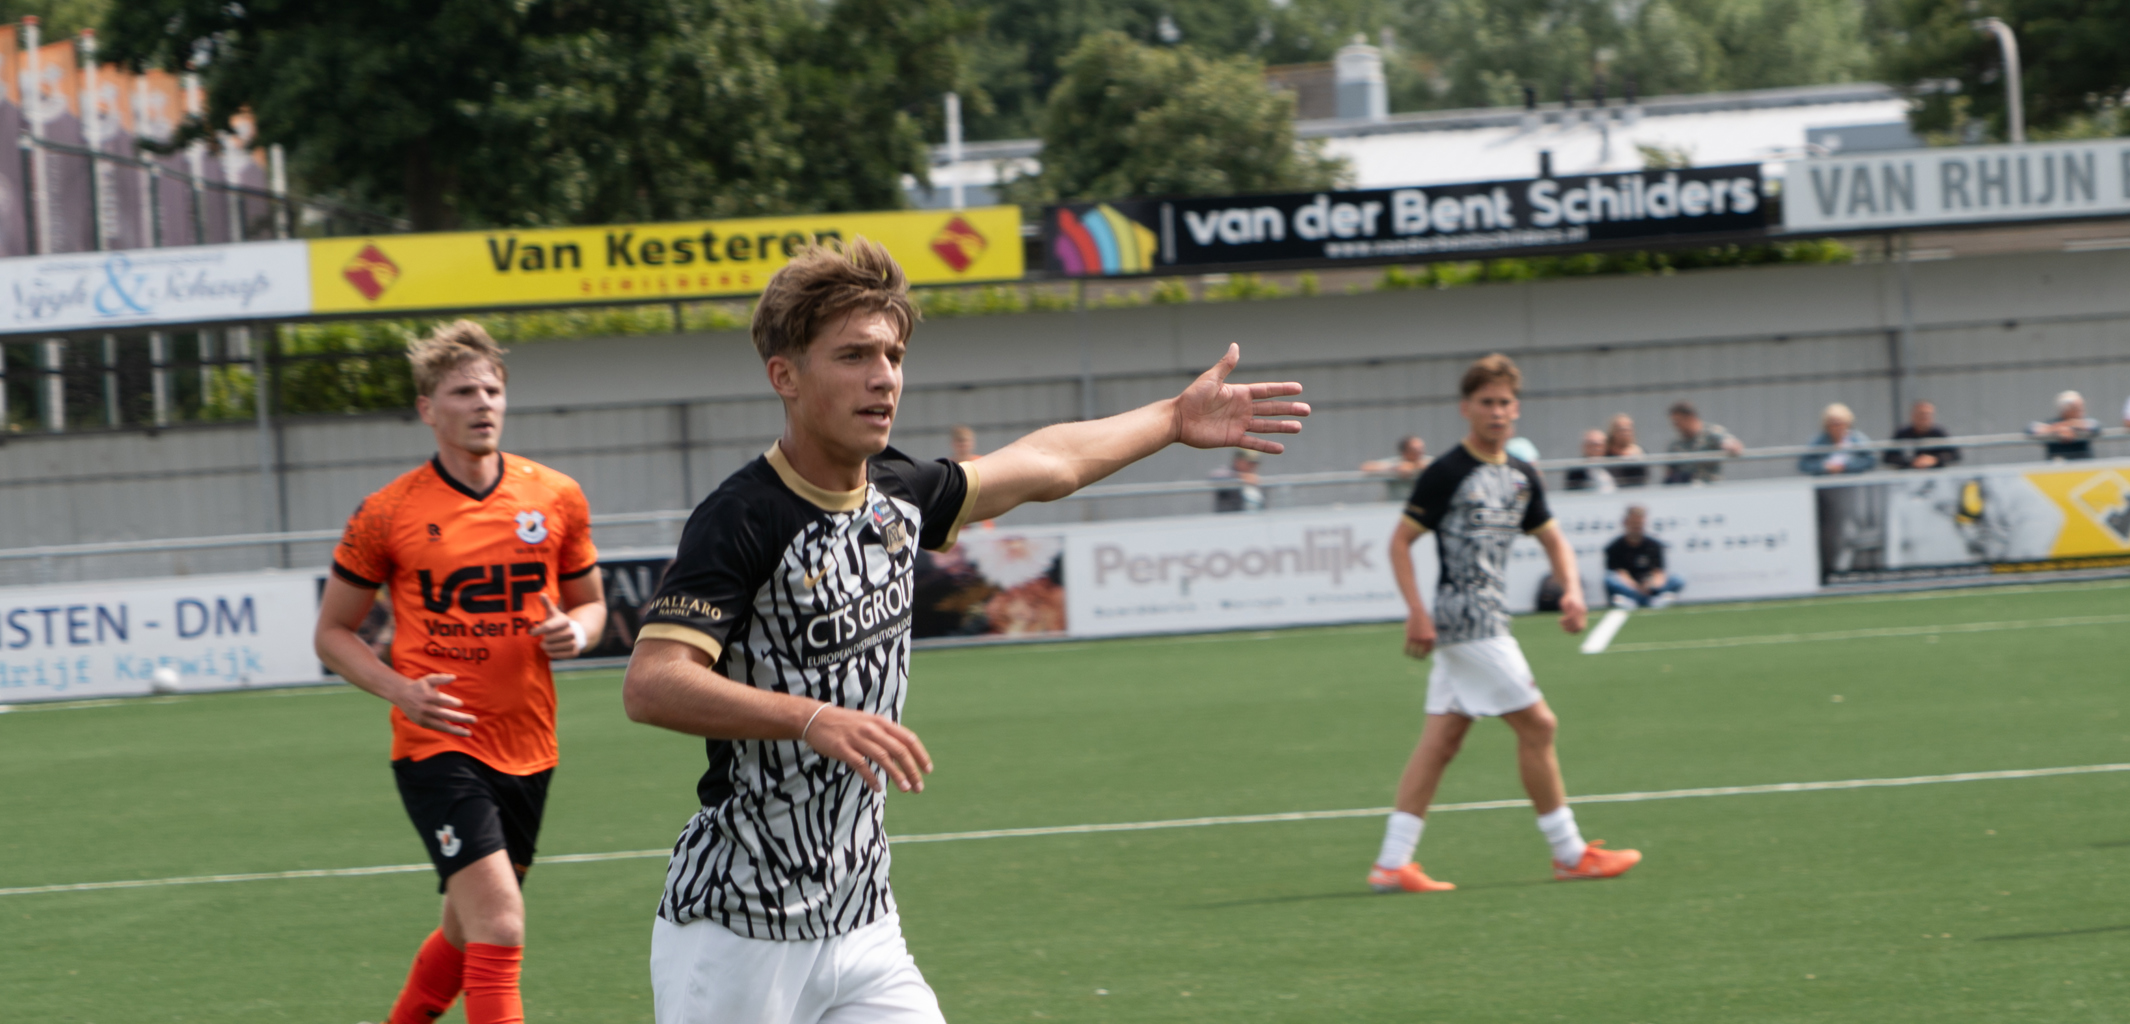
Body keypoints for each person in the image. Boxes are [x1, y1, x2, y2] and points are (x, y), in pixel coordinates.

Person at [620, 238, 1308, 1022]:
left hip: (862, 920)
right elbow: (653, 684)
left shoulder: (898, 492)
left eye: (893, 355)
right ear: (786, 376)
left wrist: (1173, 419)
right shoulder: (742, 518)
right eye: (853, 355)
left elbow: (1047, 463)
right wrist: (811, 718)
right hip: (739, 926)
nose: (884, 376)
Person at [314, 320, 607, 1024]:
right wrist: (399, 691)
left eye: (492, 391)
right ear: (427, 408)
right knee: (499, 924)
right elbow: (331, 634)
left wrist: (576, 632)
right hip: (438, 747)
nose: (483, 404)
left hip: (530, 745)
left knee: (464, 926)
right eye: (463, 392)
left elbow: (591, 606)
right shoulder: (386, 513)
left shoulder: (555, 495)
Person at [1370, 353, 1640, 893]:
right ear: (1466, 408)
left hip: (1491, 619)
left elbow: (1553, 538)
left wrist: (1571, 588)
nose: (1497, 411)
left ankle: (1392, 863)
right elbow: (1400, 542)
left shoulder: (1521, 475)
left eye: (1505, 402)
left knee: (1442, 742)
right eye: (1486, 402)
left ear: (1516, 409)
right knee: (1539, 726)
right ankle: (1569, 854)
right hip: (1466, 621)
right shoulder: (1447, 472)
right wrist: (1417, 611)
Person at [1601, 505, 1683, 608]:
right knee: (1610, 580)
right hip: (1630, 586)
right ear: (1625, 522)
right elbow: (1620, 573)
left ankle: (1651, 600)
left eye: (1639, 523)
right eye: (1634, 523)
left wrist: (1651, 585)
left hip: (1649, 586)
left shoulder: (1654, 545)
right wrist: (1637, 587)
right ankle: (1637, 601)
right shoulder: (1614, 547)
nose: (1637, 527)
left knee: (1677, 579)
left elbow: (1658, 572)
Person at [1660, 400, 1744, 484]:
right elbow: (1669, 473)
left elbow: (1731, 443)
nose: (1676, 426)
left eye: (1678, 422)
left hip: (1710, 487)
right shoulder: (1675, 445)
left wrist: (1730, 445)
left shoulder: (1711, 433)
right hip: (1685, 489)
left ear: (1690, 418)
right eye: (1674, 423)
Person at [1797, 403, 1876, 476]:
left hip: (1852, 481)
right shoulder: (1818, 441)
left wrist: (1846, 466)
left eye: (1840, 424)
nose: (1837, 428)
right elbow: (1804, 464)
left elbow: (1870, 460)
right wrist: (1824, 466)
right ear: (1826, 425)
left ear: (1848, 423)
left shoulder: (1857, 438)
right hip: (1826, 483)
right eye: (1833, 424)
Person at [1884, 400, 1960, 470]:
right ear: (1913, 415)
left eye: (1928, 414)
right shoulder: (1902, 433)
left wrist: (1934, 459)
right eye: (1921, 414)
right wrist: (1912, 462)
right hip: (1909, 475)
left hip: (1936, 475)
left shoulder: (1939, 432)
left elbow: (1955, 455)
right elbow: (1888, 458)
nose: (1925, 417)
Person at [2028, 391, 2100, 461]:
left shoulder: (2085, 421)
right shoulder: (2053, 422)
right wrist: (2057, 430)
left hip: (2083, 465)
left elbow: (2095, 426)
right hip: (2057, 465)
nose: (2082, 410)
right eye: (2077, 408)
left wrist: (2070, 425)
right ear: (2066, 410)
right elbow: (2030, 429)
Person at [1361, 434, 1430, 500]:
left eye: (1421, 448)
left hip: (1420, 504)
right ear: (1404, 451)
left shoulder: (1427, 462)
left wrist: (1420, 468)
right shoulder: (1397, 462)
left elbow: (1434, 466)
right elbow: (1366, 467)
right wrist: (1395, 468)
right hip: (1396, 504)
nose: (1420, 452)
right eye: (1415, 449)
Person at [1603, 412, 1649, 487]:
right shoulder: (1605, 453)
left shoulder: (1641, 451)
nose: (1625, 433)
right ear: (1613, 431)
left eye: (1628, 429)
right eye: (1621, 430)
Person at [1563, 428, 1617, 492]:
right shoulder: (1576, 470)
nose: (1597, 448)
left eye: (1600, 445)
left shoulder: (1614, 465)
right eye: (1593, 445)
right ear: (1584, 447)